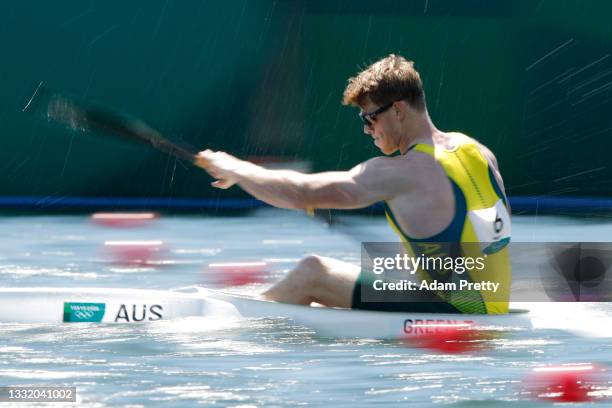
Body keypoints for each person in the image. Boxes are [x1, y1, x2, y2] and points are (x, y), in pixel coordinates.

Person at [196, 54, 511, 314]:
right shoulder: (478, 151)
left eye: (369, 118)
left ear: (398, 110)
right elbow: (488, 240)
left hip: (460, 313)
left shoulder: (403, 170)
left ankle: (236, 326)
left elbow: (300, 193)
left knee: (313, 271)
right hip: (492, 303)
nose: (366, 129)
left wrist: (236, 169)